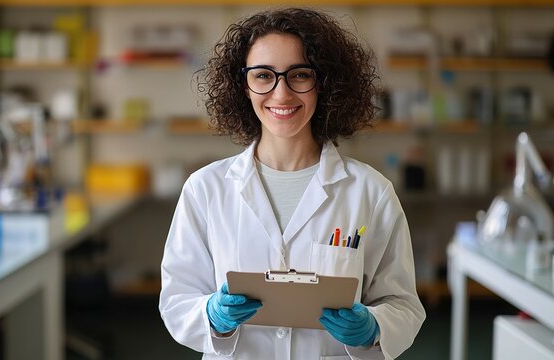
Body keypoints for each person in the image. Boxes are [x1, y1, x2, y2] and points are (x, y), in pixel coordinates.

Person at [159, 7, 425, 360]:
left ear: (324, 82)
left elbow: (403, 305)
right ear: (244, 85)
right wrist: (211, 315)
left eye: (299, 75)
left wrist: (374, 326)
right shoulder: (205, 189)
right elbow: (177, 298)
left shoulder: (371, 192)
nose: (281, 94)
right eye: (263, 75)